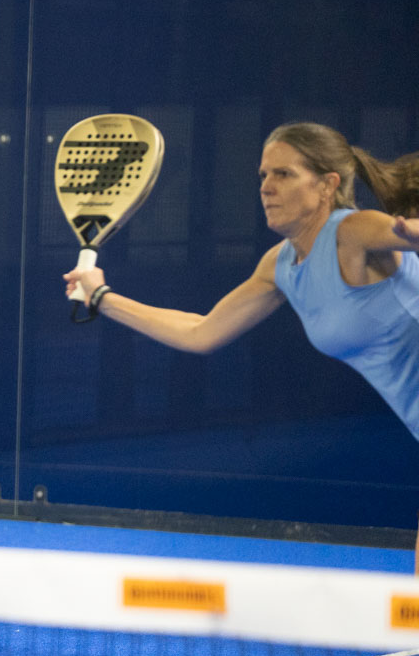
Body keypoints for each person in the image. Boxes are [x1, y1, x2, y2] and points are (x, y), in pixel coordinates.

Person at [63, 121, 419, 440]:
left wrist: (411, 231)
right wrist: (102, 297)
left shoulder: (352, 230)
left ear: (327, 185)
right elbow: (201, 332)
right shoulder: (279, 265)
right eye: (263, 175)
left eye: (283, 174)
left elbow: (405, 233)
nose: (266, 187)